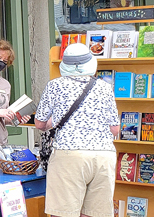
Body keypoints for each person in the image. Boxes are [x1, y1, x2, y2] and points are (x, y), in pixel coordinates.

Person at [35, 43, 120, 217]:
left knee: (63, 213)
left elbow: (40, 123)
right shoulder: (105, 87)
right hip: (103, 156)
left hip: (69, 155)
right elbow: (115, 129)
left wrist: (54, 122)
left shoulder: (55, 85)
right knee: (95, 214)